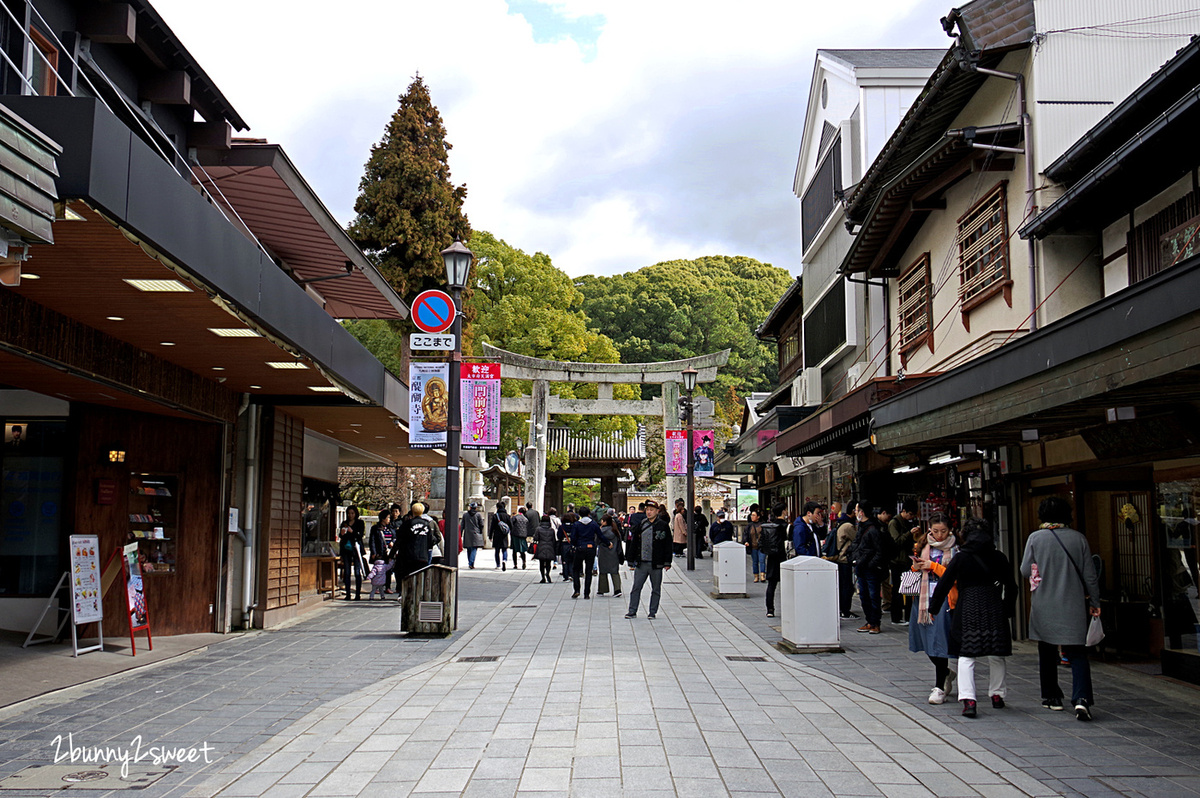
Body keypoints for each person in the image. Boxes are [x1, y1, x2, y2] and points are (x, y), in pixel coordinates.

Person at [1020, 496, 1102, 720]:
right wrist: (1094, 602)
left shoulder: (1035, 538)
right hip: (1073, 604)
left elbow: (1025, 570)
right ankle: (1082, 699)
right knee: (1077, 652)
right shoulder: (1079, 539)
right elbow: (1090, 575)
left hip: (1044, 603)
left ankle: (1052, 697)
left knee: (1046, 651)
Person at [929, 518, 1016, 718]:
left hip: (967, 606)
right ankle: (997, 695)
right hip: (994, 605)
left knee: (966, 654)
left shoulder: (961, 558)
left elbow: (945, 583)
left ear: (965, 535)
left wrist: (933, 608)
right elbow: (1012, 586)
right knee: (996, 653)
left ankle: (969, 700)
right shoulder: (999, 557)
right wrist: (1007, 609)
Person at [909, 512, 958, 704]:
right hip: (922, 597)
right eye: (935, 531)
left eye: (943, 531)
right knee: (924, 640)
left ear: (950, 530)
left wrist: (933, 566)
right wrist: (917, 566)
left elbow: (954, 574)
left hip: (944, 597)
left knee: (939, 641)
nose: (939, 535)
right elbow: (917, 568)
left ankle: (939, 686)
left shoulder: (956, 548)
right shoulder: (923, 544)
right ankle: (946, 673)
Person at [625, 499, 673, 619]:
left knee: (656, 588)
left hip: (656, 563)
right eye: (647, 510)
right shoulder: (642, 524)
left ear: (657, 511)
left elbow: (668, 544)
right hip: (642, 563)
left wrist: (667, 562)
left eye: (652, 510)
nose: (649, 512)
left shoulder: (662, 525)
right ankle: (632, 610)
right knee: (636, 587)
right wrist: (631, 559)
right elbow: (635, 542)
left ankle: (652, 611)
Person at [852, 502, 888, 633]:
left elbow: (879, 550)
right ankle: (869, 621)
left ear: (862, 512)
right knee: (864, 596)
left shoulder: (873, 529)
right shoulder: (861, 527)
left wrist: (871, 564)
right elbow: (856, 545)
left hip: (870, 568)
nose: (855, 513)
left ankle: (875, 623)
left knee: (873, 596)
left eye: (856, 510)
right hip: (861, 567)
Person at [888, 500, 919, 625]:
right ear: (904, 511)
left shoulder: (908, 522)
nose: (911, 517)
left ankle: (908, 616)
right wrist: (909, 533)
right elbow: (897, 541)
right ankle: (896, 617)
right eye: (910, 514)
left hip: (907, 560)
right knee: (898, 590)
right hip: (897, 561)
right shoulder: (894, 523)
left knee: (909, 589)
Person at [827, 507, 859, 619]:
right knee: (846, 586)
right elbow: (857, 539)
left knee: (843, 585)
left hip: (839, 558)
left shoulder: (840, 522)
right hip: (844, 558)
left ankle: (842, 609)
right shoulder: (848, 526)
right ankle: (845, 610)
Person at [570, 507, 607, 599]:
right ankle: (587, 593)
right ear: (589, 514)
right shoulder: (593, 524)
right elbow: (600, 535)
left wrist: (575, 544)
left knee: (576, 569)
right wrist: (608, 543)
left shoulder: (576, 524)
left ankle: (577, 589)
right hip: (590, 548)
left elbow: (573, 538)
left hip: (580, 548)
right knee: (588, 570)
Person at [760, 500, 789, 618]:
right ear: (783, 511)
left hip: (772, 557)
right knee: (787, 584)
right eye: (786, 510)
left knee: (771, 585)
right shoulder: (786, 526)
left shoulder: (769, 526)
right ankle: (788, 608)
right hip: (783, 556)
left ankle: (770, 609)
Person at [337, 506, 365, 600]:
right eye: (349, 513)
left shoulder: (360, 523)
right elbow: (341, 536)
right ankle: (348, 594)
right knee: (347, 572)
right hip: (346, 549)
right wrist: (342, 533)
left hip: (356, 549)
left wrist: (352, 532)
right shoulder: (344, 523)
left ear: (355, 513)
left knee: (357, 572)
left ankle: (358, 594)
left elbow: (360, 535)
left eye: (352, 513)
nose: (350, 515)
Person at [597, 513, 624, 597]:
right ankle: (617, 589)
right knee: (614, 571)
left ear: (604, 522)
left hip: (603, 554)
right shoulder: (615, 531)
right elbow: (619, 543)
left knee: (603, 571)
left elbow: (596, 541)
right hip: (614, 554)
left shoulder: (601, 531)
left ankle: (602, 589)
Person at [533, 512, 557, 583]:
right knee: (548, 562)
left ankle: (543, 577)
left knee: (541, 562)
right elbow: (554, 540)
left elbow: (536, 538)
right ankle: (548, 573)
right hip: (550, 546)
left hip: (541, 546)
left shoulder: (538, 529)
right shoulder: (551, 530)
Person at [460, 502, 485, 569]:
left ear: (470, 507)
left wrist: (461, 533)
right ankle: (471, 562)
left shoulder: (465, 515)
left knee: (469, 549)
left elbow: (462, 525)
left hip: (467, 533)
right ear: (476, 508)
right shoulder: (478, 515)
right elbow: (482, 524)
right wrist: (480, 531)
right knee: (474, 549)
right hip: (476, 533)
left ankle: (470, 562)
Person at [489, 501, 511, 571]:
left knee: (497, 550)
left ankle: (498, 564)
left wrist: (490, 536)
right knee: (504, 549)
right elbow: (511, 525)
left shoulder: (496, 516)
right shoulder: (507, 516)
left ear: (497, 507)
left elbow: (492, 527)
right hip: (504, 535)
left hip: (497, 535)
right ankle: (504, 560)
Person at [746, 510, 766, 583]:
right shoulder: (749, 526)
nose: (752, 517)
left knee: (762, 560)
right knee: (755, 562)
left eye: (754, 515)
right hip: (753, 546)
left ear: (758, 517)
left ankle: (762, 575)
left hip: (761, 546)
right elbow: (746, 535)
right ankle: (756, 576)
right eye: (751, 515)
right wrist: (746, 541)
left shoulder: (762, 525)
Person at [558, 512, 577, 582]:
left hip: (564, 545)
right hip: (572, 545)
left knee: (565, 561)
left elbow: (559, 536)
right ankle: (571, 574)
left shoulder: (561, 527)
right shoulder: (574, 526)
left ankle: (566, 576)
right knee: (572, 560)